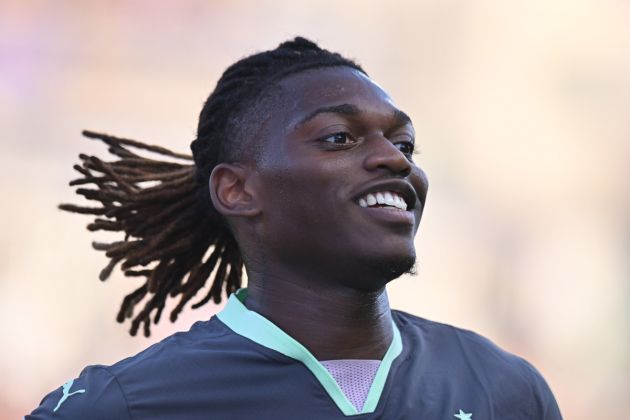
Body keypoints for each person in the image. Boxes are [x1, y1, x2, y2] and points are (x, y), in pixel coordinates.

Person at [27, 37, 562, 419]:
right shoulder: (124, 404)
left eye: (403, 145)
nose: (394, 161)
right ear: (238, 191)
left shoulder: (505, 389)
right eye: (338, 138)